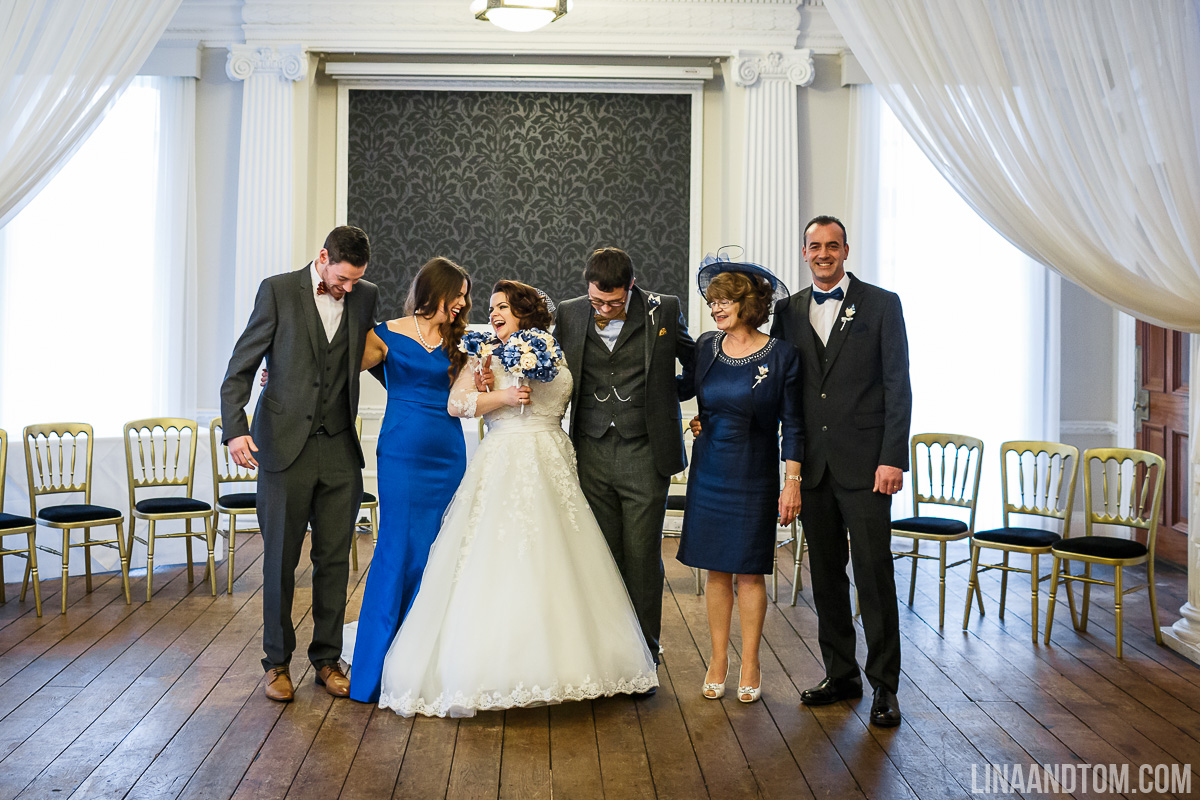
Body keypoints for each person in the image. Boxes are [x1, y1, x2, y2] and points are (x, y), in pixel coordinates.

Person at [351, 280, 656, 717]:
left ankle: (571, 661)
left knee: (560, 560)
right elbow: (458, 404)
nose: (491, 314)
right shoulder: (484, 353)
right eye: (490, 307)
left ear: (524, 312)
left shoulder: (555, 350)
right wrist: (502, 394)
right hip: (503, 461)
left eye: (502, 307)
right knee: (499, 557)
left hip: (552, 461)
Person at [220, 225, 378, 702]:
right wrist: (235, 428)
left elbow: (373, 355)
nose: (347, 288)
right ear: (323, 257)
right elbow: (241, 365)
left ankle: (327, 659)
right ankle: (276, 663)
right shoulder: (277, 290)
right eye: (342, 278)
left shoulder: (365, 296)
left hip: (339, 448)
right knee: (280, 562)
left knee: (334, 560)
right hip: (283, 447)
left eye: (355, 280)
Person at [770, 215, 911, 727]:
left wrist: (892, 457)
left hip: (869, 465)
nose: (824, 253)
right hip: (813, 468)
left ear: (846, 250)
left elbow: (898, 385)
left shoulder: (882, 304)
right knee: (826, 577)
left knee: (874, 576)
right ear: (804, 252)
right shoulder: (786, 312)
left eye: (833, 245)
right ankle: (840, 674)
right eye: (815, 246)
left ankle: (885, 686)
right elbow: (778, 386)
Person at [551, 247, 696, 679]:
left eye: (613, 303)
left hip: (645, 451)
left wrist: (667, 394)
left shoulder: (663, 308)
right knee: (602, 555)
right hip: (591, 449)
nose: (604, 309)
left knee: (642, 556)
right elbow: (552, 370)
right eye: (597, 301)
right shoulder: (570, 312)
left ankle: (645, 654)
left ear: (631, 286)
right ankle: (607, 654)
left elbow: (696, 362)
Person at [347, 257, 474, 704]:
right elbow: (335, 369)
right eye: (457, 295)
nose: (462, 304)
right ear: (435, 290)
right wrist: (278, 373)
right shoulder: (384, 334)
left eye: (465, 297)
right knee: (396, 551)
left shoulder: (460, 341)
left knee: (436, 552)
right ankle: (373, 672)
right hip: (401, 454)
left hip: (448, 455)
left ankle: (420, 668)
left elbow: (470, 393)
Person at [678, 259, 802, 704]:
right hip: (709, 468)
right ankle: (718, 660)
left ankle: (750, 662)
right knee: (716, 569)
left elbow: (794, 424)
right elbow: (688, 390)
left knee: (749, 571)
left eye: (724, 301)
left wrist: (792, 482)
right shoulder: (706, 346)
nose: (715, 309)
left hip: (754, 472)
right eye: (712, 302)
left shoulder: (783, 355)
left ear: (747, 303)